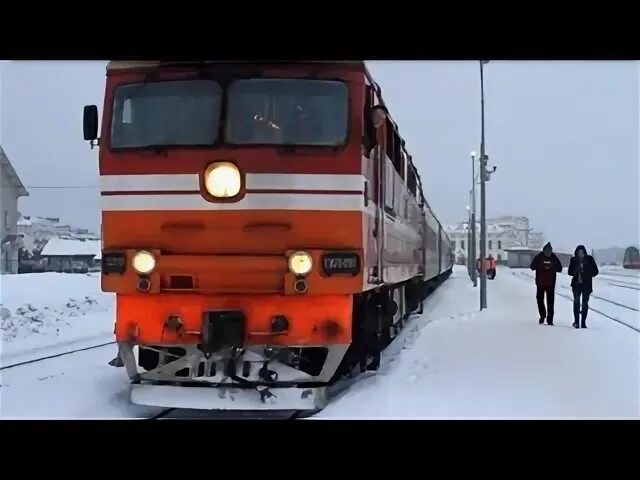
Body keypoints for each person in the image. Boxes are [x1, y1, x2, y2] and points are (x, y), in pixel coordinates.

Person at [530, 242, 563, 325]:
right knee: (540, 299)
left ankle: (550, 319)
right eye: (546, 251)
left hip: (550, 283)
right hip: (541, 283)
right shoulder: (539, 257)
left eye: (549, 251)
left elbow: (560, 268)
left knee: (550, 302)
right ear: (544, 250)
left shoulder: (553, 258)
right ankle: (543, 315)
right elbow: (532, 267)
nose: (548, 253)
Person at [567, 245, 599, 329]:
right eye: (578, 252)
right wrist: (576, 270)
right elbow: (569, 272)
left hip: (586, 285)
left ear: (584, 252)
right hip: (576, 285)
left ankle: (583, 323)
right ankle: (576, 322)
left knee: (585, 303)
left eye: (581, 252)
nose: (580, 254)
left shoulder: (589, 259)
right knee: (576, 302)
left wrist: (586, 272)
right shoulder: (573, 260)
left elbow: (595, 271)